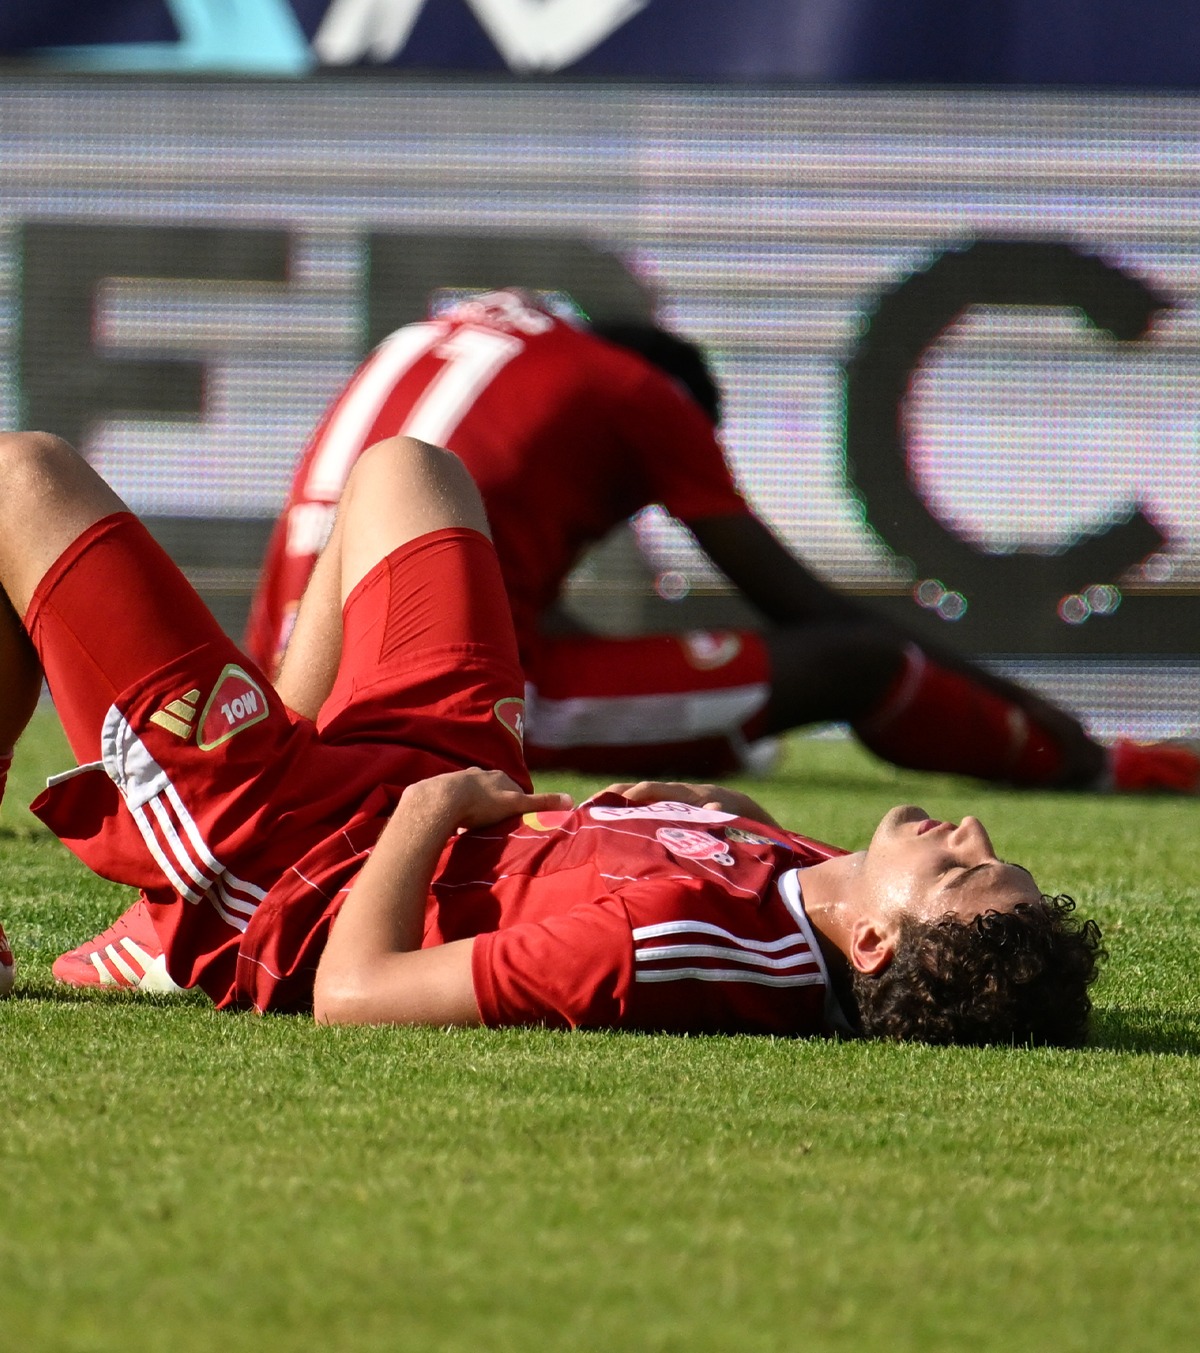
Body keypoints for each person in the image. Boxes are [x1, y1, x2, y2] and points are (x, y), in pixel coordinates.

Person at [0, 430, 1103, 1044]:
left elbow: (356, 994)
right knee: (409, 471)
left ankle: (206, 873)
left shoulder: (668, 942)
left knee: (22, 480)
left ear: (872, 946)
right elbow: (749, 868)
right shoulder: (832, 893)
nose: (969, 830)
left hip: (301, 857)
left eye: (959, 872)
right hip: (437, 776)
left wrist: (428, 812)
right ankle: (222, 812)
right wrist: (722, 814)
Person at [245, 287, 1196, 793]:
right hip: (431, 709)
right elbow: (800, 606)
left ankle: (703, 735)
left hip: (286, 680)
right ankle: (1090, 765)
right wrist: (1022, 699)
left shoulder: (447, 332)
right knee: (858, 662)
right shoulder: (643, 395)